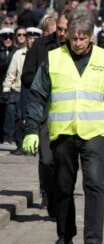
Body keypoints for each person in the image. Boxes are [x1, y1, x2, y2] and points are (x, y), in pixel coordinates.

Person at [23, 10, 104, 244]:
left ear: (91, 37)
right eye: (74, 38)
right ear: (67, 36)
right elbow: (37, 95)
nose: (78, 43)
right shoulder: (53, 58)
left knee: (93, 185)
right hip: (63, 133)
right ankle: (65, 237)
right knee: (62, 187)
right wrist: (31, 130)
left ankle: (93, 243)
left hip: (94, 133)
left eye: (83, 38)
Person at [22, 12, 68, 216]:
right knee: (47, 159)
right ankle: (49, 195)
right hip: (45, 109)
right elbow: (26, 76)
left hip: (68, 110)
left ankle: (62, 198)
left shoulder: (75, 46)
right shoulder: (41, 46)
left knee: (64, 160)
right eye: (59, 29)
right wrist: (43, 84)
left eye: (65, 30)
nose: (62, 33)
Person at [3, 27, 41, 154]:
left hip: (36, 91)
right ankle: (20, 145)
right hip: (19, 90)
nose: (31, 41)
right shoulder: (18, 54)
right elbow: (11, 73)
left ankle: (34, 145)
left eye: (34, 39)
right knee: (19, 119)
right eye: (29, 39)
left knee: (34, 118)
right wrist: (6, 89)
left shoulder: (41, 54)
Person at [0, 27, 18, 144]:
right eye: (5, 37)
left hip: (11, 87)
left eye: (10, 37)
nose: (8, 39)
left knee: (10, 113)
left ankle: (9, 138)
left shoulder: (16, 51)